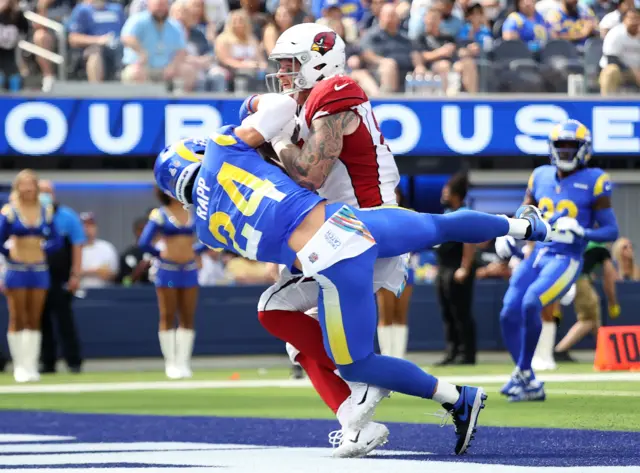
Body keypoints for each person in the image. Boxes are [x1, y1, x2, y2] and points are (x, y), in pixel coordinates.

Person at [152, 117, 553, 457]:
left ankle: (444, 397)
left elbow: (271, 241)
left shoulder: (206, 230)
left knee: (351, 361)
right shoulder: (226, 147)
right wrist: (270, 138)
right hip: (350, 221)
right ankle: (524, 226)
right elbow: (272, 118)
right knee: (440, 225)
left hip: (333, 259)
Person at [256, 22, 407, 456]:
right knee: (293, 332)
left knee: (330, 339)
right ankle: (356, 418)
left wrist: (279, 140)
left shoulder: (336, 90)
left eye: (292, 64)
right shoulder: (307, 108)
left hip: (365, 227)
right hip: (336, 231)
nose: (284, 74)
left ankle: (364, 390)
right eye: (281, 65)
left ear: (322, 61)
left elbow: (310, 172)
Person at [496, 119, 619, 403]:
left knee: (531, 303)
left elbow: (612, 230)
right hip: (537, 254)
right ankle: (526, 377)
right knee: (508, 312)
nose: (564, 151)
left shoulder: (596, 179)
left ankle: (524, 373)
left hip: (567, 256)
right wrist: (508, 231)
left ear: (583, 149)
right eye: (560, 145)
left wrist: (583, 231)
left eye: (570, 146)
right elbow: (526, 211)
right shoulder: (539, 175)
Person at [0, 170, 61, 383]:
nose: (27, 189)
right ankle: (19, 365)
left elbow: (57, 239)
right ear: (17, 188)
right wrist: (10, 253)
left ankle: (31, 364)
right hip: (16, 269)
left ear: (36, 188)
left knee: (35, 317)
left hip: (38, 268)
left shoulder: (46, 211)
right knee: (18, 316)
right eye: (23, 185)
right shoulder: (9, 211)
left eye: (31, 185)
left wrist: (45, 250)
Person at [138, 188, 204, 379]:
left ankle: (184, 362)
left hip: (189, 269)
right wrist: (160, 254)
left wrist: (196, 251)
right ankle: (171, 363)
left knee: (188, 315)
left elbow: (209, 237)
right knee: (167, 314)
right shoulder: (160, 214)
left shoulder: (194, 212)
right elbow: (144, 242)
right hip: (167, 269)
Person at [38, 180, 86, 375]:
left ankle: (73, 361)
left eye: (47, 191)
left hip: (61, 277)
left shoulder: (67, 216)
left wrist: (76, 274)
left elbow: (77, 245)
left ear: (54, 194)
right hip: (37, 275)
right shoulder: (28, 217)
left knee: (65, 319)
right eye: (41, 191)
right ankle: (47, 361)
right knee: (41, 320)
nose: (44, 195)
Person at [435, 173, 478, 366]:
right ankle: (451, 351)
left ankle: (467, 353)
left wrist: (464, 267)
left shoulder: (464, 213)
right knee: (447, 312)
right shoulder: (446, 214)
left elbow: (469, 242)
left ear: (456, 194)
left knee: (461, 312)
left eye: (447, 190)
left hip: (457, 269)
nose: (444, 193)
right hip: (444, 268)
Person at [554, 241, 620, 362]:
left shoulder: (580, 242)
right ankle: (560, 350)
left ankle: (605, 353)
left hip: (566, 279)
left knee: (594, 319)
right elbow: (609, 277)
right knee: (588, 319)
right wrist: (613, 302)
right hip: (580, 281)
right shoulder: (601, 249)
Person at [377, 188, 414, 360]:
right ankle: (387, 357)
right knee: (386, 314)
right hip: (384, 268)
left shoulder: (409, 215)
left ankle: (399, 357)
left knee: (401, 314)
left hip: (406, 268)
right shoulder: (377, 214)